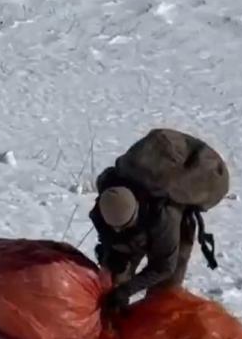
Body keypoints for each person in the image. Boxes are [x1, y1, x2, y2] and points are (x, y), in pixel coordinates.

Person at [90, 129, 229, 313]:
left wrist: (127, 290)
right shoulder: (107, 198)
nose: (116, 231)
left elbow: (164, 266)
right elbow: (109, 233)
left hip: (182, 197)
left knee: (164, 296)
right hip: (145, 199)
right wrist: (110, 249)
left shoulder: (165, 216)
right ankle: (111, 324)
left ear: (137, 213)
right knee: (114, 277)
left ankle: (154, 327)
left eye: (123, 227)